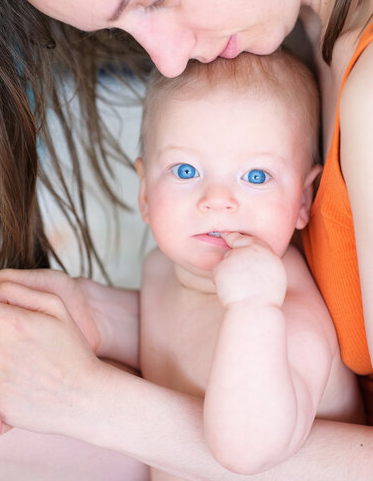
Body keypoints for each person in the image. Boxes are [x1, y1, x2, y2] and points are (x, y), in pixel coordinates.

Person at [0, 0, 373, 479]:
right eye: (127, 31)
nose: (165, 61)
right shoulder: (292, 31)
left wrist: (87, 401)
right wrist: (94, 316)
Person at [135, 51, 363, 477]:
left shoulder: (288, 314)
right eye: (185, 170)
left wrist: (252, 309)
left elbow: (248, 452)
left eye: (256, 176)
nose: (218, 199)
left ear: (303, 200)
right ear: (145, 194)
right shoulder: (160, 268)